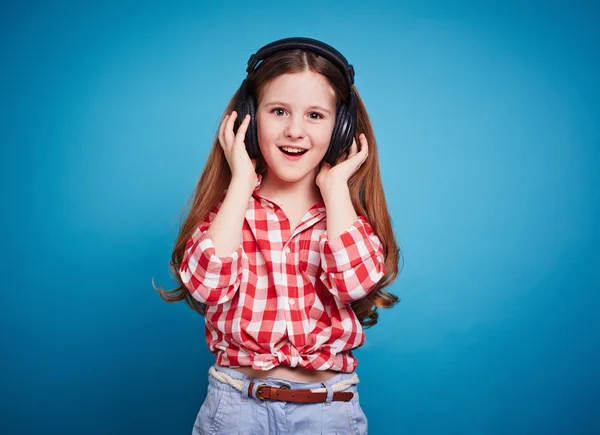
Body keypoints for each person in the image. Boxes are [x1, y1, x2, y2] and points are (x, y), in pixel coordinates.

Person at [156, 37, 401, 434]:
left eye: (316, 116)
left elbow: (356, 285)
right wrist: (240, 183)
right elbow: (206, 287)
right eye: (279, 111)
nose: (295, 131)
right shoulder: (229, 214)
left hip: (327, 412)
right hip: (236, 408)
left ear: (340, 129)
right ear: (248, 119)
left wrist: (336, 188)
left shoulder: (344, 218)